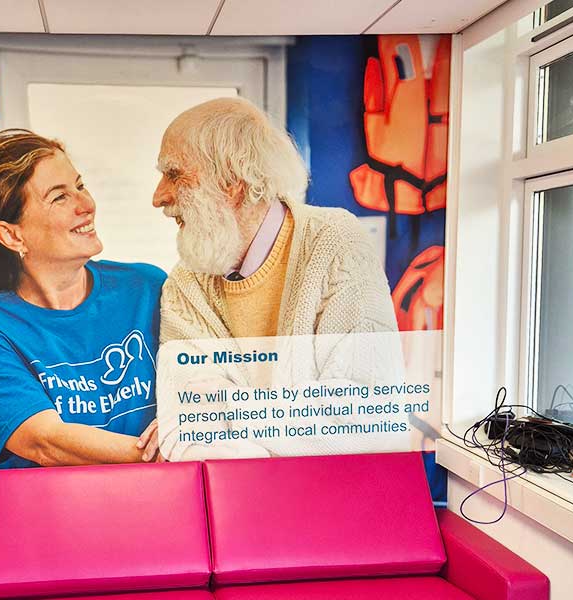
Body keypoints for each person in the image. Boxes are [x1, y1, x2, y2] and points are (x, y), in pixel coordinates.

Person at [151, 97, 401, 461]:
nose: (159, 197)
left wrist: (229, 406)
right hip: (238, 506)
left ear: (232, 182)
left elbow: (364, 415)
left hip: (343, 501)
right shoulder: (184, 285)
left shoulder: (335, 243)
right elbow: (185, 434)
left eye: (174, 174)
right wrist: (295, 423)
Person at [0, 129, 164, 469]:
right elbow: (43, 441)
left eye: (80, 186)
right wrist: (170, 448)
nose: (86, 205)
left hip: (163, 507)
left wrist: (192, 428)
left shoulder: (147, 288)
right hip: (55, 518)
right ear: (11, 235)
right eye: (59, 197)